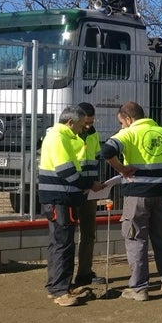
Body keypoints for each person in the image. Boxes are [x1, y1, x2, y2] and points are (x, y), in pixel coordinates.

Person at [101, 102, 162, 301]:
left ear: (129, 119)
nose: (121, 127)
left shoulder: (129, 133)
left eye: (122, 123)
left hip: (137, 194)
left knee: (136, 239)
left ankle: (139, 288)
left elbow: (106, 151)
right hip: (160, 193)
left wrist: (121, 169)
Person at [39, 105, 103, 307]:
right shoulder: (60, 137)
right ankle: (60, 290)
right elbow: (66, 170)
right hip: (60, 197)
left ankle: (58, 286)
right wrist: (87, 185)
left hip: (60, 197)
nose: (81, 130)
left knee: (60, 242)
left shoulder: (59, 135)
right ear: (70, 123)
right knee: (63, 244)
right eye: (80, 125)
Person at [73, 102, 105, 287]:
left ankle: (84, 273)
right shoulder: (67, 136)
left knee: (89, 234)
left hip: (89, 192)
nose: (88, 126)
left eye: (91, 122)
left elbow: (96, 160)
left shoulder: (93, 134)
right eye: (85, 123)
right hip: (72, 190)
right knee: (67, 235)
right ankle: (64, 277)